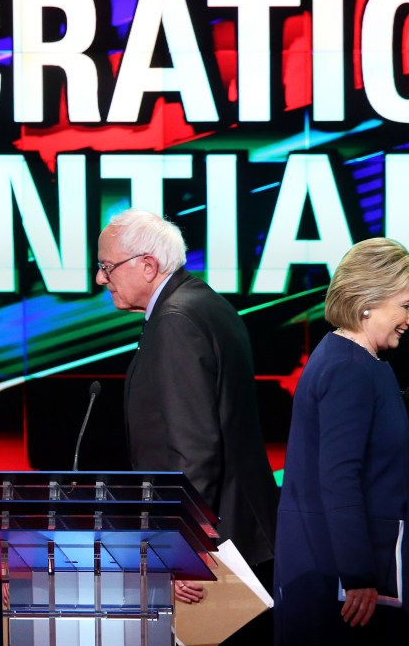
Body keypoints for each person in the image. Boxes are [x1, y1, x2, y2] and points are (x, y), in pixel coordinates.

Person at [95, 208, 279, 643]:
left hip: (216, 552)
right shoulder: (207, 302)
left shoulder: (175, 320)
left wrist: (183, 549)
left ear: (148, 265)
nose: (101, 280)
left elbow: (193, 450)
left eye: (107, 267)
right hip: (244, 537)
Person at [273, 237, 409, 646]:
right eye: (406, 306)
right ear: (368, 301)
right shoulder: (348, 368)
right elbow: (340, 478)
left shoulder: (357, 362)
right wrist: (359, 576)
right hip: (343, 583)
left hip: (349, 573)